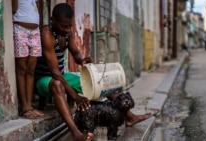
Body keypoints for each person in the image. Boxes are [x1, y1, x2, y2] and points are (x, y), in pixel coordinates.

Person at [35, 3, 152, 141]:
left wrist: (82, 60)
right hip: (43, 79)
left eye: (69, 26)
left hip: (61, 75)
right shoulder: (47, 34)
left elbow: (76, 54)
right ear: (52, 20)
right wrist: (75, 96)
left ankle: (129, 117)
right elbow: (55, 73)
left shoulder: (67, 32)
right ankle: (76, 133)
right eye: (64, 26)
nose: (67, 29)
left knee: (98, 80)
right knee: (58, 85)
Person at [12, 0, 44, 119]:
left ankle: (29, 105)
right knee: (22, 69)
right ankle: (24, 107)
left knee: (31, 70)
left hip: (35, 32)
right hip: (20, 30)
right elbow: (13, 9)